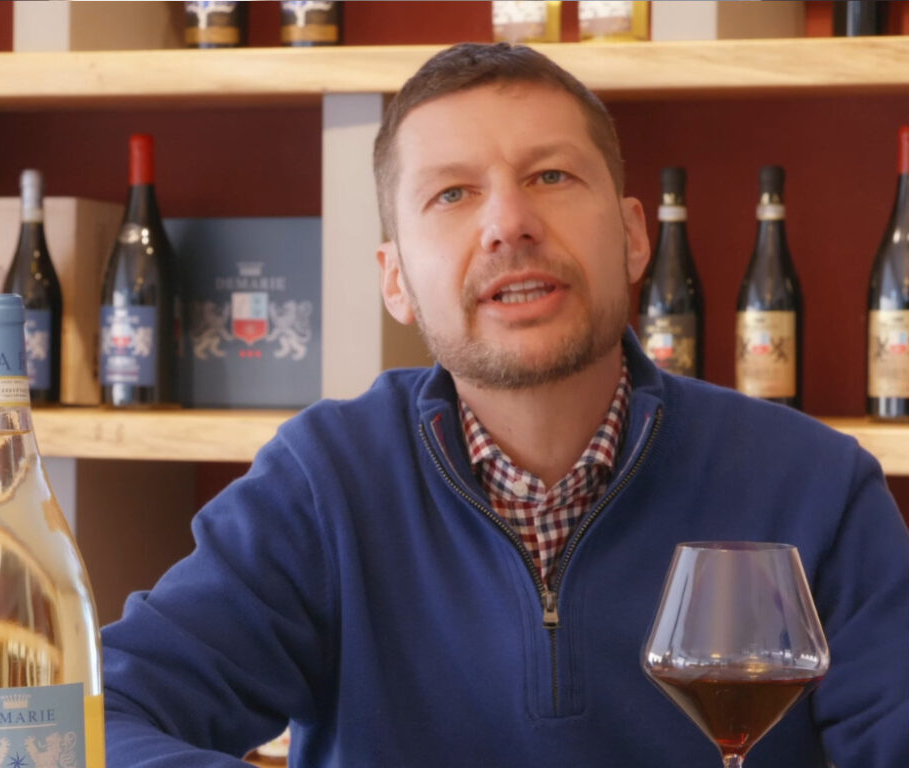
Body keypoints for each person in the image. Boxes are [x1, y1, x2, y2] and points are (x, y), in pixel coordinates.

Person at [101, 43, 909, 767]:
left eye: (550, 177)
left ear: (634, 237)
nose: (509, 224)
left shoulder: (816, 486)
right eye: (452, 194)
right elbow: (100, 720)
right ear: (395, 279)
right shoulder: (323, 485)